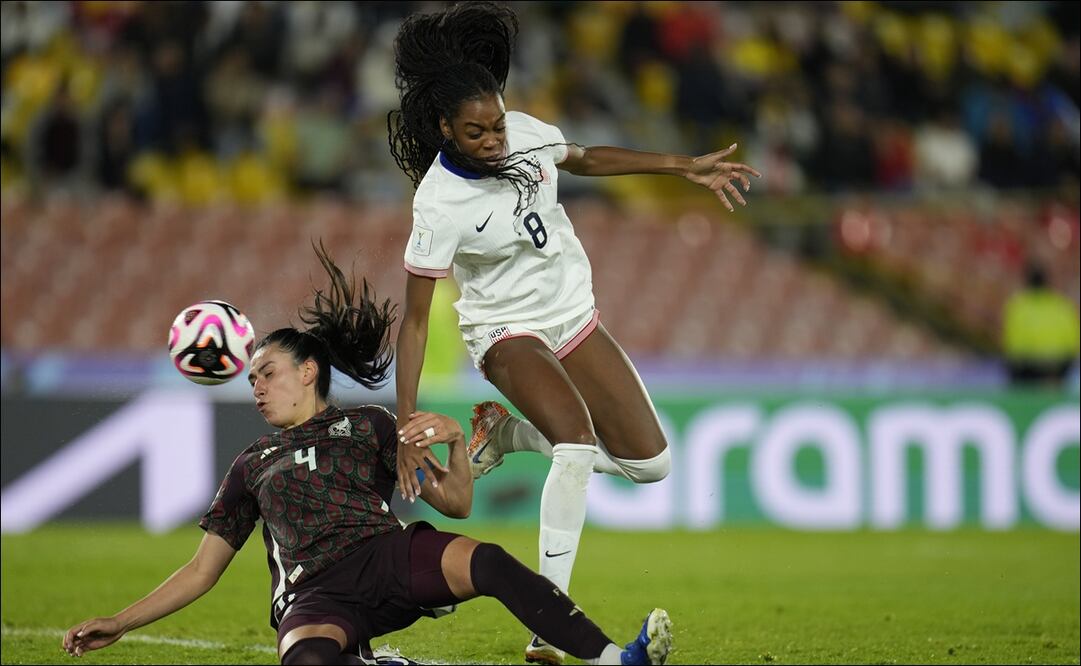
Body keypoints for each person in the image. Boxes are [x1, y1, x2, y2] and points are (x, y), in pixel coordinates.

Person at [61, 242, 673, 666]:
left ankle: (614, 657)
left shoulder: (371, 426)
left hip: (388, 557)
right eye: (251, 381)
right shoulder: (252, 464)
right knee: (309, 659)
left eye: (266, 373)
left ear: (308, 371)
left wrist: (458, 442)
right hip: (313, 594)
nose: (256, 388)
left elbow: (457, 504)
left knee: (489, 562)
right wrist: (121, 621)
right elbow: (202, 571)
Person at [387, 3, 759, 664]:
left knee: (652, 465)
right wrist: (406, 415)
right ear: (444, 128)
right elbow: (415, 319)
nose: (495, 139)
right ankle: (549, 625)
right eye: (476, 133)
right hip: (505, 330)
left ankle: (508, 435)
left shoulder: (523, 132)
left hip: (572, 314)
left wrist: (680, 166)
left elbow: (582, 156)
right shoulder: (439, 205)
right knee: (577, 443)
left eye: (497, 123)